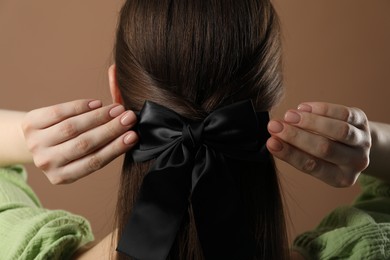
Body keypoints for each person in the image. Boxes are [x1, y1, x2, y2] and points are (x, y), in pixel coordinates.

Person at [0, 0, 389, 259]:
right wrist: (373, 143)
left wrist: (25, 135)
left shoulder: (22, 248)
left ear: (117, 89)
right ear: (269, 94)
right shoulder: (364, 251)